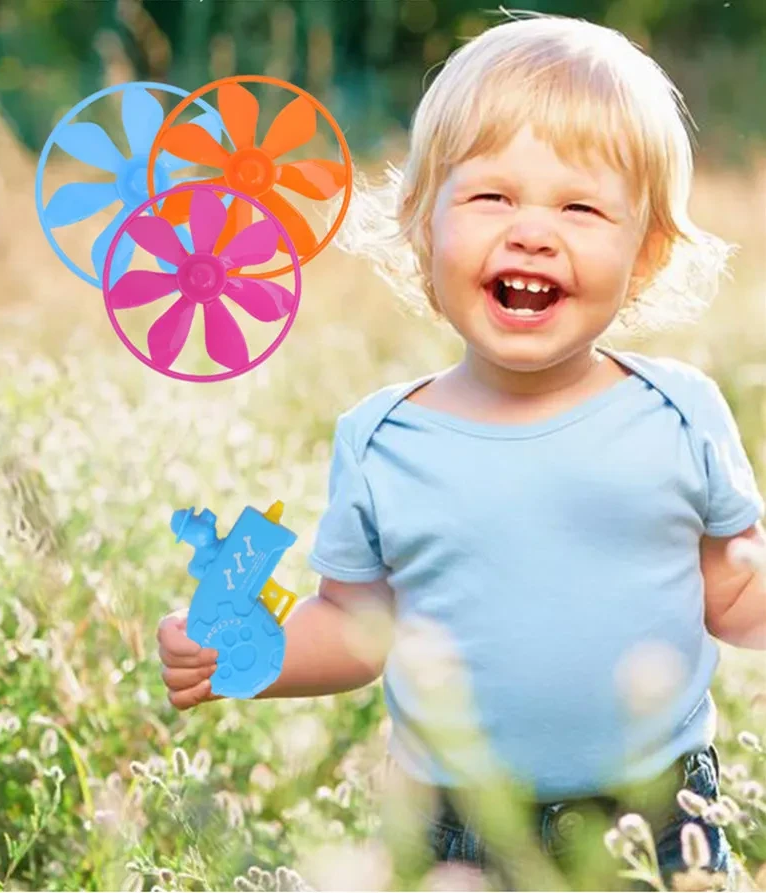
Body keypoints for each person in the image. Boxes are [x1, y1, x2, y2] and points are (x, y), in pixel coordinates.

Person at [157, 11, 765, 890]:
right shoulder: (383, 438)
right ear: (420, 225)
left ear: (644, 255)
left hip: (660, 823)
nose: (531, 232)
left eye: (580, 207)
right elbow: (356, 630)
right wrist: (244, 654)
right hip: (456, 836)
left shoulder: (679, 411)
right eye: (491, 197)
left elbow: (734, 586)